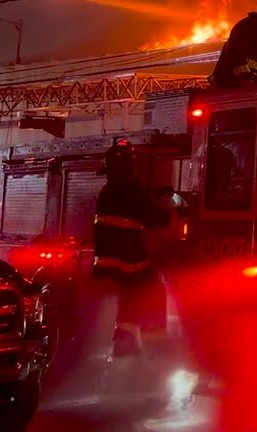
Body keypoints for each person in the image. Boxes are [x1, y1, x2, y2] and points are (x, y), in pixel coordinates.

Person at [92, 140, 172, 357]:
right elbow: (154, 218)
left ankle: (123, 347)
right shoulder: (132, 189)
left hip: (107, 265)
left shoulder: (106, 192)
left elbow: (127, 216)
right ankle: (154, 350)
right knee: (155, 293)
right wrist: (169, 208)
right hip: (131, 262)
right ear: (129, 167)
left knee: (125, 305)